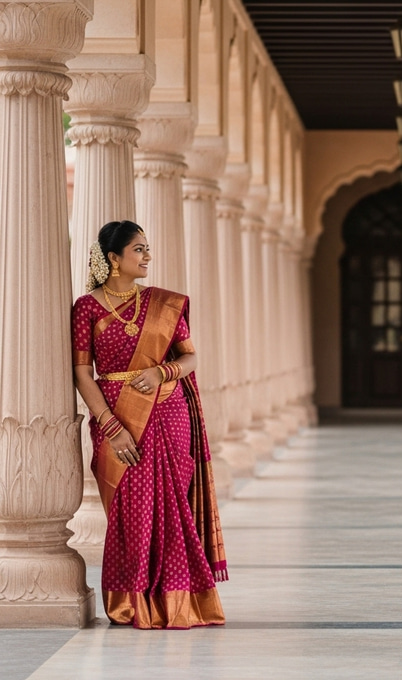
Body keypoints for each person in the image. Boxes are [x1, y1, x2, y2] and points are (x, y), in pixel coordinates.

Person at [71, 220, 227, 629]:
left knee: (173, 508)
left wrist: (163, 373)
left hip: (169, 411)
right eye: (139, 249)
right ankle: (132, 602)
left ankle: (179, 602)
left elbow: (190, 357)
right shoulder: (87, 307)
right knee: (130, 511)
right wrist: (109, 425)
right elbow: (82, 373)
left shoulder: (163, 303)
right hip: (117, 417)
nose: (147, 257)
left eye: (147, 248)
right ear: (114, 258)